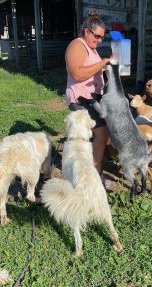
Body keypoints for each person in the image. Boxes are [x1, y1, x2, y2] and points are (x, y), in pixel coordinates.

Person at [65, 10, 112, 183]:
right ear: (86, 31)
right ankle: (95, 174)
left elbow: (93, 71)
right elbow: (77, 74)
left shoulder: (90, 48)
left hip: (92, 98)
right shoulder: (77, 45)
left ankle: (90, 169)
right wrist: (103, 62)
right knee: (101, 133)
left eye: (102, 37)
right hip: (81, 99)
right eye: (97, 36)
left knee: (96, 134)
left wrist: (108, 70)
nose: (99, 40)